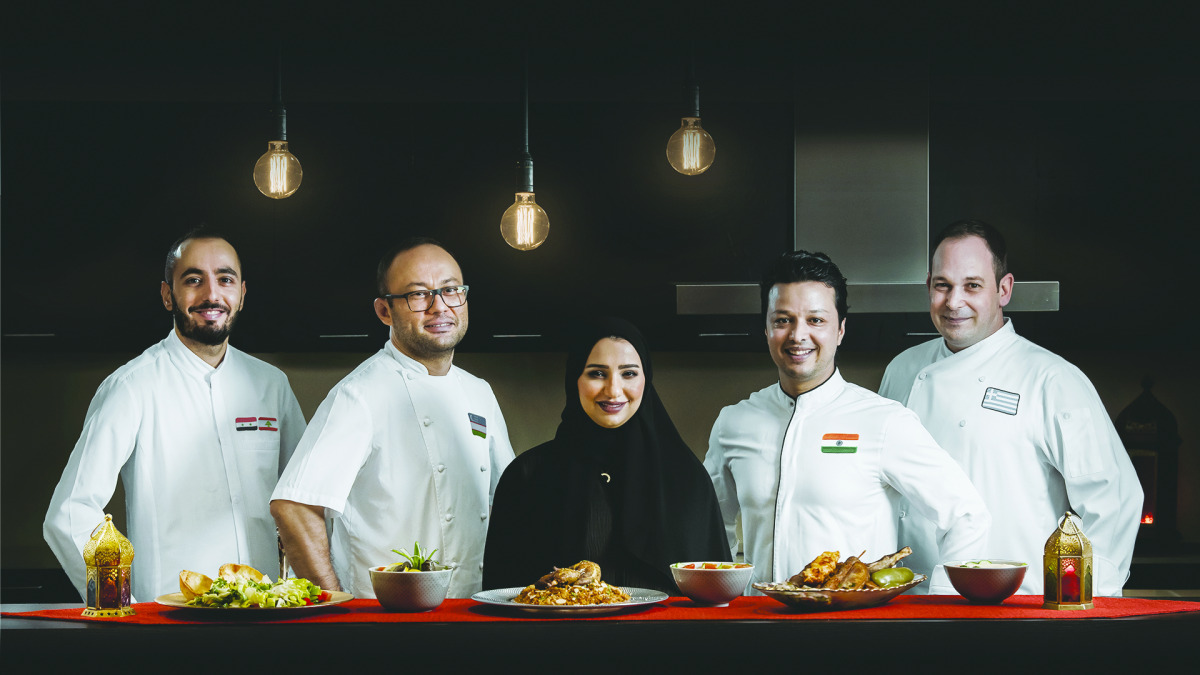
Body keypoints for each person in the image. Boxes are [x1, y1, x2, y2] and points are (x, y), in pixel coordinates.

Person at [879, 220, 1142, 596]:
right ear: (928, 287)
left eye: (972, 285)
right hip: (909, 600)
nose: (954, 302)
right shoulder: (902, 369)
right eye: (942, 285)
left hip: (1018, 606)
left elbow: (1113, 500)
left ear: (1004, 289)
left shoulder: (1052, 379)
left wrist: (1082, 598)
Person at [704, 250, 990, 593]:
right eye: (783, 320)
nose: (798, 335)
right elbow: (709, 524)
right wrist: (730, 598)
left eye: (816, 320)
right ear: (766, 329)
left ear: (840, 330)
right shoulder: (734, 423)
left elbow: (966, 515)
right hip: (757, 632)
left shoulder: (884, 422)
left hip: (854, 635)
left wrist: (943, 607)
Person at [43, 231, 306, 602]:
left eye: (225, 279)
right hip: (168, 625)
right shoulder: (131, 387)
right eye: (194, 280)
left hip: (263, 618)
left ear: (242, 294)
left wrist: (296, 589)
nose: (212, 295)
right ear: (168, 295)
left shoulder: (271, 385)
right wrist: (120, 603)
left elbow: (305, 500)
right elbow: (70, 512)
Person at [270, 237, 514, 598]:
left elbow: (503, 500)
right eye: (419, 295)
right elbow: (294, 505)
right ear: (385, 311)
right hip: (382, 624)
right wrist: (337, 609)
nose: (439, 307)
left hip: (470, 610)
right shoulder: (360, 394)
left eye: (450, 290)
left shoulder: (480, 393)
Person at [482, 318, 729, 593]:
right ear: (574, 379)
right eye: (597, 373)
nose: (613, 390)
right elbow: (502, 599)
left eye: (629, 373)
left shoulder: (687, 479)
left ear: (646, 380)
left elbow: (715, 594)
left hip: (666, 636)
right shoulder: (527, 476)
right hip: (559, 636)